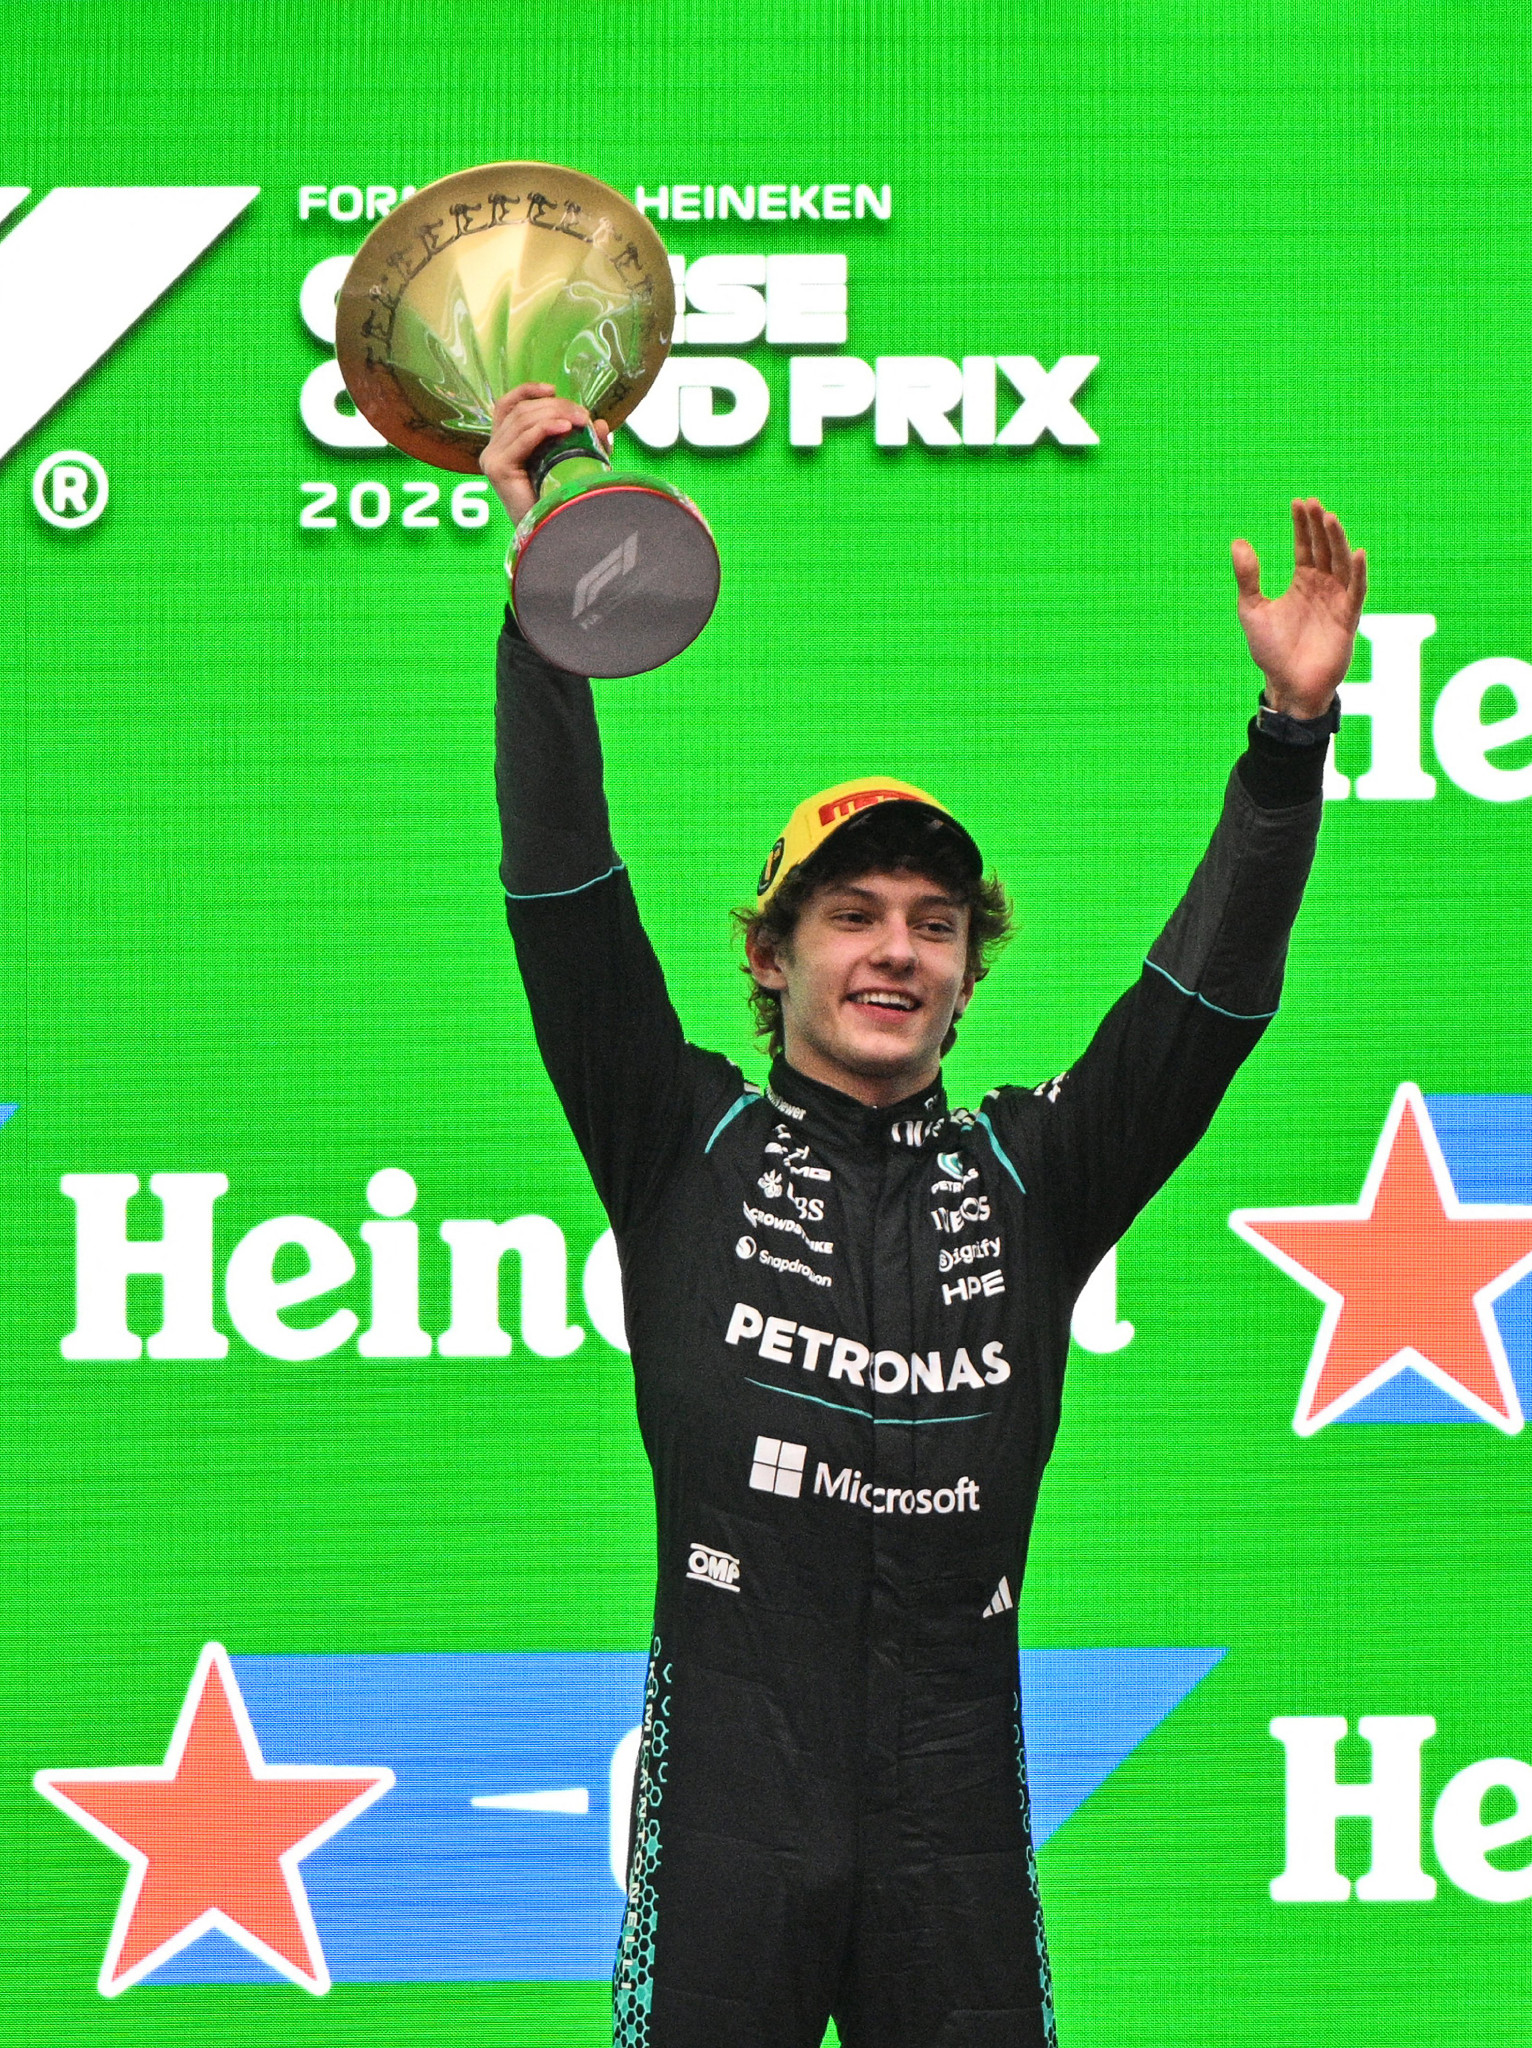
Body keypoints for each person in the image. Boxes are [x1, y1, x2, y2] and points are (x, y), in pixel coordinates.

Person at [481, 384, 1366, 2048]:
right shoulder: (679, 1135)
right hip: (733, 1803)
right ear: (773, 956)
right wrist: (549, 607)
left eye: (936, 924)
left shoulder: (1036, 1174)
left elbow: (1206, 1004)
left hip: (950, 1811)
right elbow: (560, 887)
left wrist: (1289, 740)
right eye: (853, 915)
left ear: (967, 975)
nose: (897, 949)